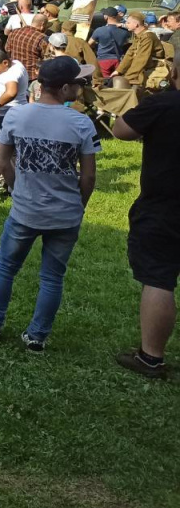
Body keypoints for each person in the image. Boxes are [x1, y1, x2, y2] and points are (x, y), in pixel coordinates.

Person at [0, 56, 99, 351]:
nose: (81, 87)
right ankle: (37, 336)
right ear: (65, 88)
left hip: (25, 210)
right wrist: (79, 205)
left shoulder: (16, 116)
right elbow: (89, 176)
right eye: (78, 83)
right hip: (65, 213)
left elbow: (2, 160)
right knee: (52, 277)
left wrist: (17, 188)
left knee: (6, 267)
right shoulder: (82, 123)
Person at [112, 50, 180, 379]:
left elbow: (121, 130)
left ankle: (151, 357)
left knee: (158, 278)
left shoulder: (163, 104)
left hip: (165, 204)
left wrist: (127, 100)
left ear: (174, 70)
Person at [0, 47, 29, 195]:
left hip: (4, 115)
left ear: (5, 62)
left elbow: (11, 92)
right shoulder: (17, 64)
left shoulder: (9, 74)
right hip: (21, 112)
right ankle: (11, 187)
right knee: (14, 153)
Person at [113, 10, 165, 88]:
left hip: (153, 69)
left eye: (128, 22)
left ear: (136, 24)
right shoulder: (139, 36)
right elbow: (130, 54)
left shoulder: (147, 37)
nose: (126, 24)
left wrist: (128, 77)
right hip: (144, 68)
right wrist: (118, 71)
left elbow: (141, 58)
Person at [5, 11, 49, 85]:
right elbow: (46, 57)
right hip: (31, 77)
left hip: (14, 73)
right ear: (42, 25)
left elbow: (7, 49)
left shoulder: (14, 32)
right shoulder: (42, 38)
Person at [90, 8, 130, 76]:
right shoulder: (125, 31)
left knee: (105, 80)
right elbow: (126, 43)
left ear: (106, 17)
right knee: (117, 80)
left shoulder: (99, 30)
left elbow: (89, 44)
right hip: (118, 60)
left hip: (103, 60)